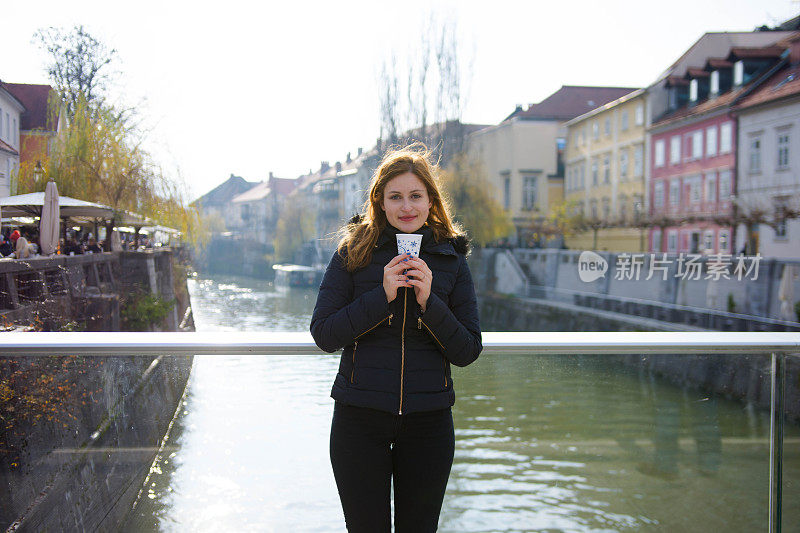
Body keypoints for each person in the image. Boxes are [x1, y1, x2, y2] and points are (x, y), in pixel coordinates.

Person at [310, 144, 482, 532]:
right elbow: (324, 333)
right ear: (380, 202)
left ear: (430, 201)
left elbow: (468, 349)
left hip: (429, 424)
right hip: (359, 422)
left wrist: (429, 301)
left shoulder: (452, 258)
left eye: (416, 196)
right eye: (396, 197)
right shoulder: (353, 252)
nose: (407, 207)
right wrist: (381, 295)